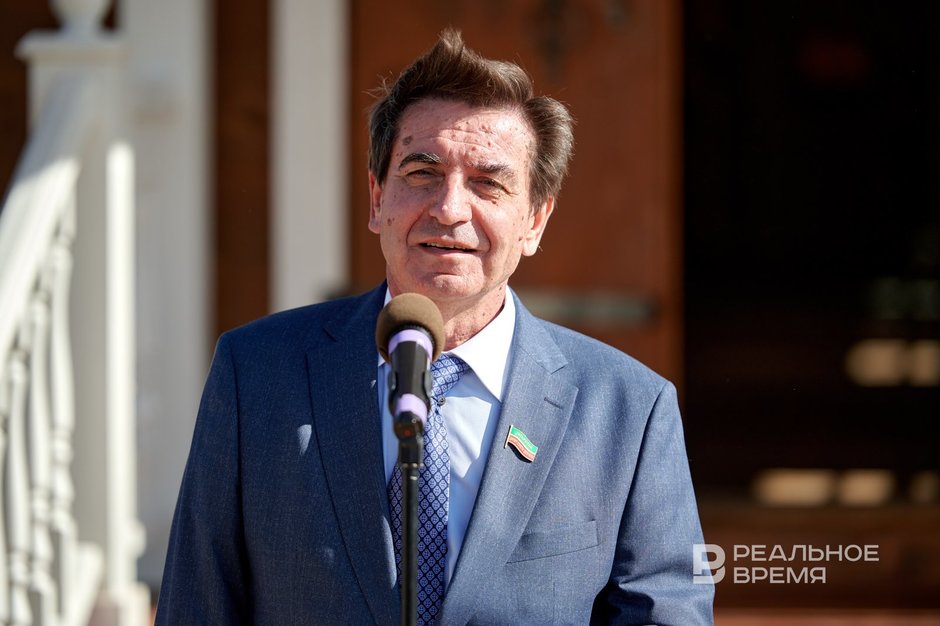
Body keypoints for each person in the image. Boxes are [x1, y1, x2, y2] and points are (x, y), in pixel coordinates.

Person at [155, 29, 714, 625]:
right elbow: (198, 605)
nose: (449, 208)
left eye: (488, 183)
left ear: (534, 220)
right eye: (422, 172)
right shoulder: (257, 374)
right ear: (377, 198)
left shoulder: (627, 408)